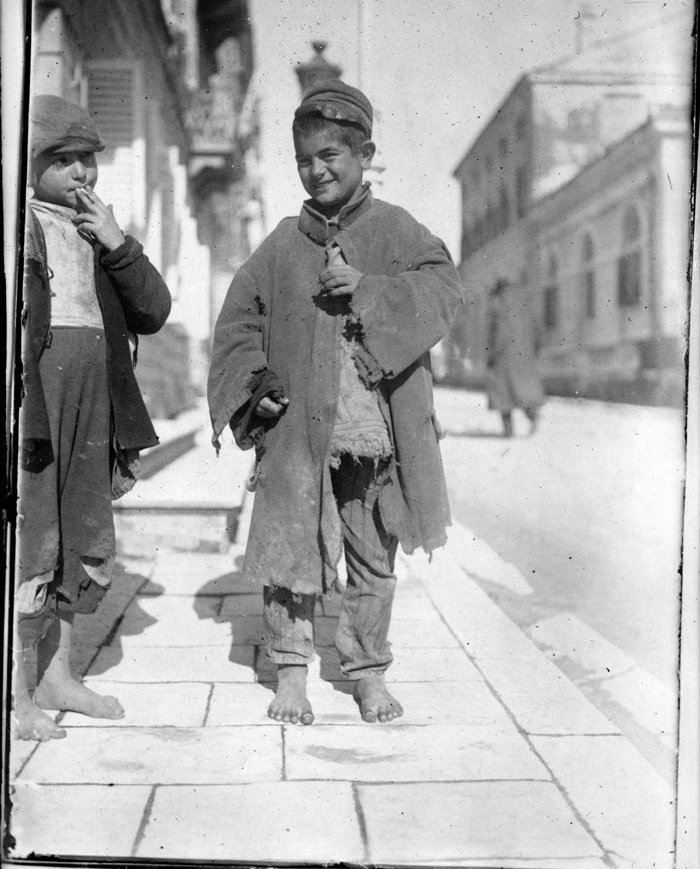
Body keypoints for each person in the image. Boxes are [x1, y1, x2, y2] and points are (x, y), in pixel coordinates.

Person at [208, 79, 463, 725]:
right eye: (304, 159)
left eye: (331, 156)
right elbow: (238, 324)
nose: (316, 169)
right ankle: (290, 671)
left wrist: (369, 289)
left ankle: (368, 670)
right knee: (288, 549)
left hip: (375, 434)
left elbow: (442, 290)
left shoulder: (398, 230)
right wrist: (253, 390)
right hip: (296, 430)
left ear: (364, 153)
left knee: (373, 555)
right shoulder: (279, 246)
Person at [13, 95, 172, 741]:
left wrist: (116, 243)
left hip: (93, 400)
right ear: (30, 166)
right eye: (63, 160)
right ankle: (16, 694)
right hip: (37, 402)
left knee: (82, 530)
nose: (81, 173)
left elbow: (154, 310)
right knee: (33, 537)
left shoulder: (97, 232)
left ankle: (60, 673)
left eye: (88, 160)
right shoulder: (18, 224)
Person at [485, 277, 544, 437]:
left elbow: (499, 332)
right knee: (524, 392)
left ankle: (508, 430)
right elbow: (537, 329)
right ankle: (533, 418)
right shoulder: (525, 301)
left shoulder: (499, 303)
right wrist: (534, 350)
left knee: (502, 394)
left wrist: (492, 353)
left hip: (504, 356)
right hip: (525, 355)